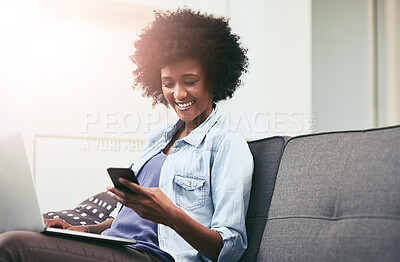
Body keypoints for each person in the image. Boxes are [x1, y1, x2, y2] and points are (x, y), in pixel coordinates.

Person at [0, 8, 253, 262]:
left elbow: (229, 247)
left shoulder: (226, 144)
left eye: (190, 81)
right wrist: (84, 230)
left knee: (12, 245)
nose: (178, 94)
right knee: (11, 232)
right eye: (168, 84)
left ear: (214, 79)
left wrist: (171, 216)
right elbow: (130, 222)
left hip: (155, 257)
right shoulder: (157, 139)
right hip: (118, 247)